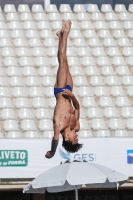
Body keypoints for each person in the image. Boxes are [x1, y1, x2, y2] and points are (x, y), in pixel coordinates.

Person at [45, 20, 83, 159]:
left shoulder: (59, 126)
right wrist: (72, 97)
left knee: (63, 60)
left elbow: (55, 138)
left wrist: (53, 152)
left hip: (60, 91)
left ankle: (65, 33)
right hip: (69, 91)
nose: (76, 135)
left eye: (75, 139)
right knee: (65, 61)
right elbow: (77, 108)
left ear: (67, 139)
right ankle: (60, 35)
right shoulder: (76, 126)